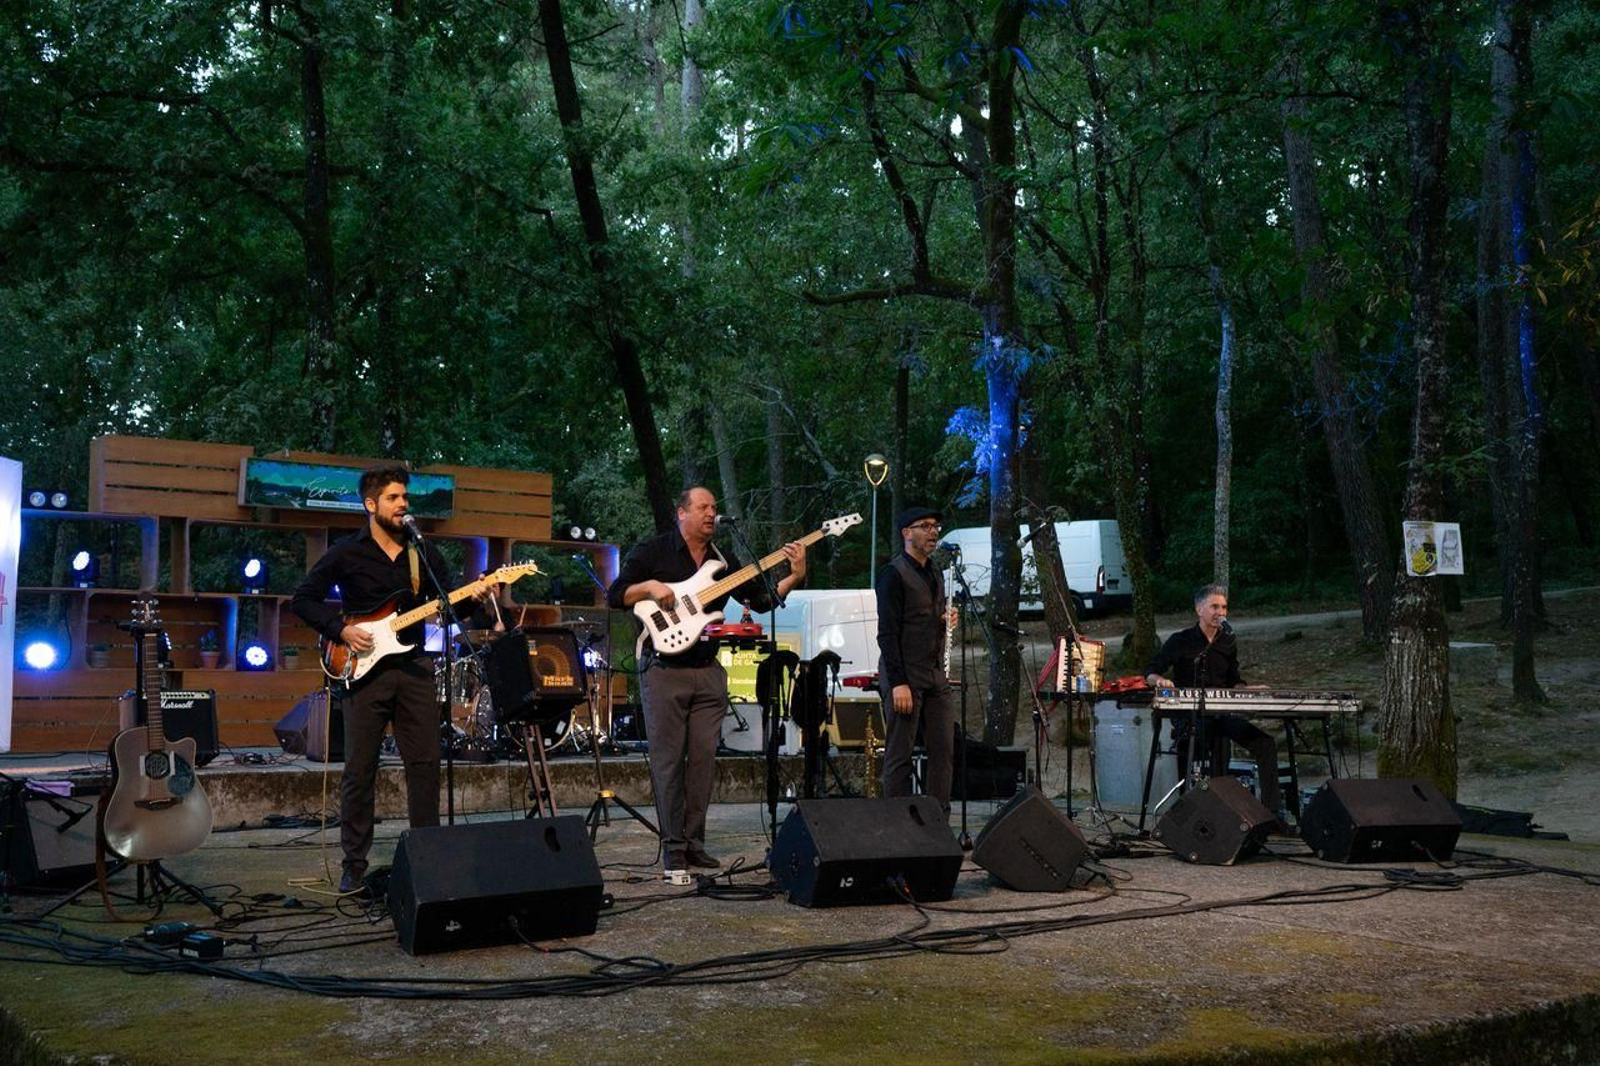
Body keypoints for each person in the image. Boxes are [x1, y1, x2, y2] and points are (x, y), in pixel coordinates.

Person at [290, 465, 489, 894]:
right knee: (360, 770)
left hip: (415, 668)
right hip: (364, 673)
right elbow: (302, 600)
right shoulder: (346, 553)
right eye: (394, 498)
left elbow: (450, 607)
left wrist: (475, 597)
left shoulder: (422, 551)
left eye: (405, 498)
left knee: (425, 765)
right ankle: (354, 867)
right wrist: (340, 630)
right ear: (371, 504)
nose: (403, 505)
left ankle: (428, 859)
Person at [607, 487, 807, 876]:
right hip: (663, 669)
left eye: (714, 508)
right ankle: (673, 848)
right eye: (703, 507)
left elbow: (762, 600)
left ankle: (694, 843)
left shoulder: (722, 561)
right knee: (668, 764)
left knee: (703, 763)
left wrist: (795, 575)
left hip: (708, 670)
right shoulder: (653, 552)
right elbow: (616, 595)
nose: (711, 514)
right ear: (681, 512)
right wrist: (650, 588)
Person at [1144, 584, 1283, 817]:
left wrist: (1247, 690)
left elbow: (1233, 680)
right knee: (1207, 739)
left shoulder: (1227, 642)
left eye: (1225, 607)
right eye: (1215, 606)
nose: (1221, 612)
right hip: (1189, 716)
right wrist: (1160, 681)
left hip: (1221, 714)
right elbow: (1150, 671)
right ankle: (1194, 811)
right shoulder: (1181, 640)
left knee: (1264, 743)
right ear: (1199, 609)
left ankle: (1272, 813)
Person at [874, 506, 957, 813]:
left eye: (936, 525)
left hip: (934, 672)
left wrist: (945, 618)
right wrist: (898, 683)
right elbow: (888, 633)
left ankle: (938, 820)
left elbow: (925, 615)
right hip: (905, 673)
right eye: (924, 526)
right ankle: (899, 823)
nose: (933, 531)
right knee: (900, 753)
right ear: (907, 533)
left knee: (944, 749)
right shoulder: (893, 575)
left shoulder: (934, 570)